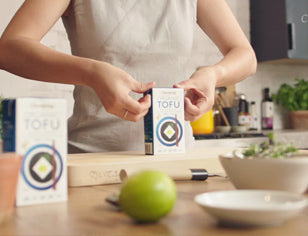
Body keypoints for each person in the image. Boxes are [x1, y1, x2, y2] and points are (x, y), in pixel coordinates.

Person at [0, 0, 257, 153]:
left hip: (175, 158)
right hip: (93, 159)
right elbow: (10, 48)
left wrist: (213, 74)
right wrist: (92, 72)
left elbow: (245, 55)